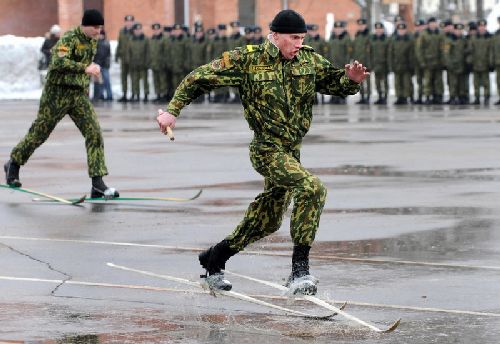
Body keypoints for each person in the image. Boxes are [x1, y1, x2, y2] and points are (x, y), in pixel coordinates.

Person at [156, 9, 368, 295]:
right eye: (294, 37)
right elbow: (199, 78)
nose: (299, 43)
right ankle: (299, 271)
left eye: (302, 37)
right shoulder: (248, 59)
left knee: (267, 220)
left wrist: (351, 80)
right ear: (276, 35)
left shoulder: (308, 59)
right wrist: (172, 112)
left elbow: (335, 84)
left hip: (292, 152)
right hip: (267, 149)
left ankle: (215, 258)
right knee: (312, 188)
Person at [4, 9, 119, 199]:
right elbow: (57, 61)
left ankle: (97, 183)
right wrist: (85, 67)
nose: (99, 31)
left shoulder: (92, 40)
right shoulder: (69, 38)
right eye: (95, 27)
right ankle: (13, 164)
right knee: (39, 133)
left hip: (77, 95)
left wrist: (92, 71)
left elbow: (85, 66)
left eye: (100, 28)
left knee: (94, 133)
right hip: (57, 94)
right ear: (85, 25)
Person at [93, 29, 112, 101]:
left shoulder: (106, 43)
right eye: (99, 35)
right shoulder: (95, 43)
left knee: (106, 80)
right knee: (98, 82)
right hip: (97, 65)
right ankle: (100, 95)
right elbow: (94, 55)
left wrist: (106, 63)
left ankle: (109, 95)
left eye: (102, 35)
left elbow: (108, 55)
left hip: (104, 65)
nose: (100, 36)